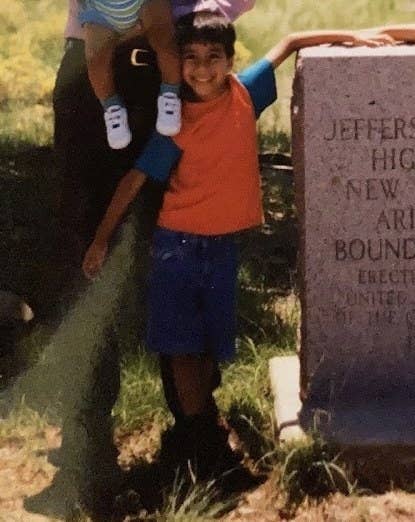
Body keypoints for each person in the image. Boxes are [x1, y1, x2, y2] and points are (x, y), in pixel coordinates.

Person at [82, 11, 385, 479]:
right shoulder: (176, 121)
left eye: (213, 57)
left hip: (222, 246)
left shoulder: (246, 94)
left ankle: (203, 428)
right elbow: (135, 179)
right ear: (177, 63)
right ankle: (200, 441)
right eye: (191, 59)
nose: (202, 68)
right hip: (177, 246)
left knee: (208, 345)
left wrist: (355, 34)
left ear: (230, 60)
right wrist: (100, 241)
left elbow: (289, 40)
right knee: (183, 347)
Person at [24, 1, 256, 519]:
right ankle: (85, 450)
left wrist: (197, 11)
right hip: (91, 76)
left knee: (179, 245)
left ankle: (197, 438)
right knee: (83, 259)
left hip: (170, 71)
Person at [80, 0, 182, 147]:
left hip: (144, 3)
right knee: (95, 60)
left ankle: (170, 93)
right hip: (101, 10)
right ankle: (111, 107)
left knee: (165, 39)